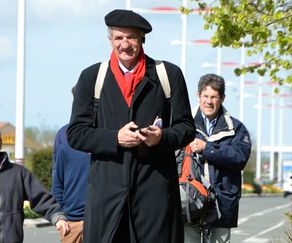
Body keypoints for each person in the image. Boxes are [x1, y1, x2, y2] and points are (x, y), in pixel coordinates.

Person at [66, 9, 196, 243]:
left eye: (131, 37)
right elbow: (76, 134)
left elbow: (187, 127)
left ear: (142, 39)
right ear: (110, 40)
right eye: (118, 38)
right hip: (106, 198)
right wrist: (115, 138)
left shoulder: (169, 75)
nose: (125, 44)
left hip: (155, 196)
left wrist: (161, 137)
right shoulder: (91, 77)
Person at [187, 74, 251, 242]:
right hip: (188, 201)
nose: (209, 101)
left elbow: (240, 158)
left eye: (214, 97)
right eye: (205, 96)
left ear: (222, 98)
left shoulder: (237, 129)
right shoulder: (184, 125)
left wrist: (207, 148)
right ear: (198, 96)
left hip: (222, 205)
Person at [51, 123, 90, 243]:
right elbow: (57, 184)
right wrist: (58, 215)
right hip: (71, 222)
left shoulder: (107, 139)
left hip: (101, 220)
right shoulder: (64, 142)